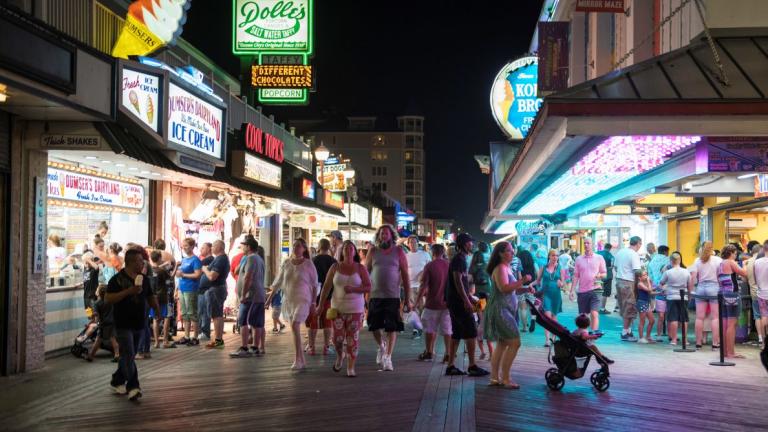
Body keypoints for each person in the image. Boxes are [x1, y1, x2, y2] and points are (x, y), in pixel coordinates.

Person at [105, 249, 159, 401]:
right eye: (139, 261)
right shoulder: (117, 279)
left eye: (142, 261)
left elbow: (150, 296)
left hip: (139, 323)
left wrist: (156, 309)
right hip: (122, 323)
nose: (142, 263)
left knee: (129, 355)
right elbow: (108, 298)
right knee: (129, 353)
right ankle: (133, 386)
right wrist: (128, 291)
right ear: (130, 262)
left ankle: (117, 380)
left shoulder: (144, 279)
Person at [318, 240, 372, 377]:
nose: (348, 250)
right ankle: (340, 355)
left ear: (354, 252)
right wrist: (320, 304)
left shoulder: (360, 268)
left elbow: (368, 286)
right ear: (342, 252)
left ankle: (350, 367)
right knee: (337, 339)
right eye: (346, 248)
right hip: (337, 309)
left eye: (351, 248)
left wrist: (354, 289)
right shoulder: (335, 267)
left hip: (355, 309)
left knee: (352, 339)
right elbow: (326, 287)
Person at [484, 241, 532, 388]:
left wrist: (525, 289)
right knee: (515, 342)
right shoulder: (500, 268)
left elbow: (513, 289)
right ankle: (505, 379)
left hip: (506, 309)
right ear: (500, 253)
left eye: (513, 250)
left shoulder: (507, 268)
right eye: (509, 251)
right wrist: (522, 280)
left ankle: (494, 378)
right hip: (500, 310)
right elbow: (504, 288)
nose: (513, 253)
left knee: (503, 343)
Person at [365, 224, 412, 372]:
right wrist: (363, 294)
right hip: (375, 295)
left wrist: (408, 298)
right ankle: (381, 346)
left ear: (392, 235)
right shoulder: (372, 251)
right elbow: (366, 273)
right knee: (373, 326)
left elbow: (405, 274)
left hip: (393, 295)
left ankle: (388, 357)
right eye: (381, 233)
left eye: (386, 233)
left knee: (392, 327)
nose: (384, 235)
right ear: (378, 236)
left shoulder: (398, 251)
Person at [268, 238, 317, 369]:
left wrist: (313, 303)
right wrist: (268, 300)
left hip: (304, 299)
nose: (296, 248)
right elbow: (278, 283)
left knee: (295, 325)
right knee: (294, 329)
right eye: (294, 245)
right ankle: (300, 359)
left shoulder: (308, 264)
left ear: (304, 249)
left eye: (299, 246)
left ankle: (298, 358)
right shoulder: (286, 263)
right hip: (289, 300)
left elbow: (314, 285)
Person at [444, 233, 489, 377]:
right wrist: (466, 300)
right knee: (471, 332)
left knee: (456, 333)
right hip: (458, 302)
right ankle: (472, 365)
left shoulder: (460, 258)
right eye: (469, 242)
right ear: (463, 244)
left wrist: (469, 296)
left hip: (454, 300)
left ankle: (451, 365)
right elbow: (457, 280)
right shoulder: (460, 259)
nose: (472, 245)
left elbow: (461, 281)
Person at [230, 235, 266, 358]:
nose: (241, 247)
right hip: (257, 295)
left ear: (249, 247)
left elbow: (248, 277)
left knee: (243, 321)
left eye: (243, 245)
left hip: (251, 296)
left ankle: (245, 347)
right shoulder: (258, 258)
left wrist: (244, 294)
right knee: (256, 323)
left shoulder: (252, 259)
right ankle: (255, 347)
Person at [416, 244, 452, 362]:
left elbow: (423, 286)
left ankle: (429, 352)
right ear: (443, 253)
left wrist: (417, 301)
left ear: (433, 253)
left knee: (429, 329)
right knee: (448, 330)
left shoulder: (429, 266)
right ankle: (448, 354)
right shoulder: (449, 265)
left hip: (432, 303)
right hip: (447, 303)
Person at [689, 241, 722, 349]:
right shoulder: (718, 260)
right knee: (715, 317)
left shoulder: (697, 260)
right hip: (714, 287)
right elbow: (720, 276)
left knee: (699, 317)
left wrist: (691, 290)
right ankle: (715, 343)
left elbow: (693, 277)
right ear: (712, 248)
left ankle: (698, 343)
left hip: (701, 287)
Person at [570, 238, 606, 334]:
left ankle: (593, 334)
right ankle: (584, 334)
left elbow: (604, 273)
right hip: (582, 291)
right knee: (583, 316)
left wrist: (600, 275)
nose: (586, 245)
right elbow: (576, 276)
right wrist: (572, 291)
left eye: (588, 243)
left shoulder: (599, 258)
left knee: (594, 314)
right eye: (584, 243)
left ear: (592, 244)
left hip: (596, 289)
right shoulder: (578, 259)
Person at [717, 244, 747, 358]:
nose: (736, 255)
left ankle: (724, 352)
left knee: (724, 324)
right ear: (731, 253)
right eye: (735, 253)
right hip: (732, 295)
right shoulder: (731, 262)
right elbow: (744, 273)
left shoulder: (720, 264)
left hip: (722, 294)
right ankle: (731, 352)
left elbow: (719, 280)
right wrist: (744, 264)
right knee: (731, 325)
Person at [534, 249, 568, 347]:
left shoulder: (560, 268)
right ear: (549, 256)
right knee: (547, 317)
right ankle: (547, 340)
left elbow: (563, 284)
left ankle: (554, 337)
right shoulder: (543, 267)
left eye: (557, 256)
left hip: (556, 295)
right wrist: (529, 285)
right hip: (546, 295)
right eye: (553, 255)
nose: (555, 257)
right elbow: (538, 281)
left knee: (554, 317)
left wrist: (561, 284)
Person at [201, 240, 230, 349]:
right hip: (216, 289)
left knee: (216, 315)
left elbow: (212, 276)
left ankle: (218, 340)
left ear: (219, 247)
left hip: (216, 289)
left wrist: (204, 269)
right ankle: (218, 339)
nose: (211, 248)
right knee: (216, 314)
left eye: (213, 246)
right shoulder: (220, 259)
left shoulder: (221, 259)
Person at [309, 238, 336, 355]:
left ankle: (312, 347)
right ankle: (326, 347)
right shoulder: (333, 261)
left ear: (319, 247)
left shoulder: (312, 261)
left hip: (314, 297)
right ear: (328, 247)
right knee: (327, 322)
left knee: (313, 323)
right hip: (330, 297)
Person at [615, 236, 643, 342]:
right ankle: (625, 332)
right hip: (628, 282)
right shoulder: (634, 254)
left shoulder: (620, 252)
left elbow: (616, 267)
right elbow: (637, 271)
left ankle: (628, 331)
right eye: (640, 244)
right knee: (629, 307)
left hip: (619, 281)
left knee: (624, 306)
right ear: (638, 243)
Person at [659, 253, 691, 345]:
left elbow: (661, 283)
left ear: (671, 261)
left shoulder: (668, 272)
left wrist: (664, 290)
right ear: (680, 260)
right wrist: (689, 296)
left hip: (671, 297)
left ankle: (674, 340)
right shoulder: (686, 272)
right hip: (683, 297)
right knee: (684, 319)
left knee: (673, 319)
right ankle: (685, 340)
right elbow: (689, 286)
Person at [175, 238, 202, 346]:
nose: (184, 248)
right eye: (183, 245)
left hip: (191, 289)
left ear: (192, 246)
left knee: (192, 313)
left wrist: (184, 275)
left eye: (186, 245)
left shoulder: (195, 260)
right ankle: (186, 336)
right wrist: (177, 288)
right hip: (182, 288)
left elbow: (197, 274)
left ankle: (195, 337)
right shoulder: (184, 259)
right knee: (185, 313)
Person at [470, 242, 492, 359]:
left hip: (477, 293)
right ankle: (491, 353)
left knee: (479, 313)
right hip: (487, 291)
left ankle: (480, 323)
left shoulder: (472, 267)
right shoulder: (486, 265)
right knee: (486, 312)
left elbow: (469, 279)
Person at [406, 235, 431, 338]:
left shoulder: (425, 254)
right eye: (410, 242)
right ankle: (416, 329)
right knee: (413, 307)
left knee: (422, 306)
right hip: (410, 286)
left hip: (422, 286)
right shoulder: (406, 256)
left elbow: (430, 268)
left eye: (414, 242)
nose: (413, 244)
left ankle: (421, 325)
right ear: (408, 244)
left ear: (418, 243)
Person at [86, 286, 120, 362]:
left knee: (98, 340)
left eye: (97, 289)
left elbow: (96, 316)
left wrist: (93, 322)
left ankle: (91, 356)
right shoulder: (110, 301)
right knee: (113, 339)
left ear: (98, 293)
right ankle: (117, 354)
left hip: (103, 324)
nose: (96, 290)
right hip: (112, 322)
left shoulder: (96, 303)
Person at [149, 251, 175, 349]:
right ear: (159, 258)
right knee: (166, 317)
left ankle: (156, 342)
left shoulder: (150, 270)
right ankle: (165, 340)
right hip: (163, 297)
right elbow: (170, 278)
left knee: (155, 319)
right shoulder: (162, 271)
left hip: (153, 297)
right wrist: (175, 267)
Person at [648, 245, 670, 342]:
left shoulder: (652, 261)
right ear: (666, 252)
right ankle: (671, 334)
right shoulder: (668, 260)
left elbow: (650, 275)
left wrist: (653, 286)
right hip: (668, 288)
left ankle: (659, 334)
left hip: (656, 288)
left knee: (660, 314)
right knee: (670, 314)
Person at [746, 244, 765, 346]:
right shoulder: (763, 261)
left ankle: (760, 338)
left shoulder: (748, 263)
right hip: (764, 293)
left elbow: (745, 278)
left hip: (753, 293)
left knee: (757, 316)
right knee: (765, 315)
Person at [516, 249, 537, 333]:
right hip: (531, 287)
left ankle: (524, 327)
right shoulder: (534, 264)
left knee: (522, 308)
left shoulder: (519, 265)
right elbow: (538, 274)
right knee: (532, 307)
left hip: (521, 287)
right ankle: (532, 320)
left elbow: (519, 276)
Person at [753, 246, 768, 350]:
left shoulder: (757, 262)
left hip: (761, 293)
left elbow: (755, 277)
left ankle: (764, 343)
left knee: (763, 316)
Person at [635, 270, 656, 344]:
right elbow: (649, 290)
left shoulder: (644, 283)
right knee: (642, 321)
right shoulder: (640, 284)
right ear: (639, 278)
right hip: (642, 303)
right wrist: (648, 281)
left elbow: (650, 292)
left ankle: (648, 336)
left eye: (646, 274)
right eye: (644, 275)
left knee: (652, 320)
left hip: (646, 303)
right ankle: (641, 338)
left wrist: (660, 292)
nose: (646, 276)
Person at [597, 243, 615, 315]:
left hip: (598, 274)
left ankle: (595, 307)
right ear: (610, 248)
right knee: (605, 292)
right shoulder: (610, 256)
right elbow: (612, 265)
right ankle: (602, 308)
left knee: (597, 290)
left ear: (604, 247)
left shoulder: (597, 253)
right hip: (607, 275)